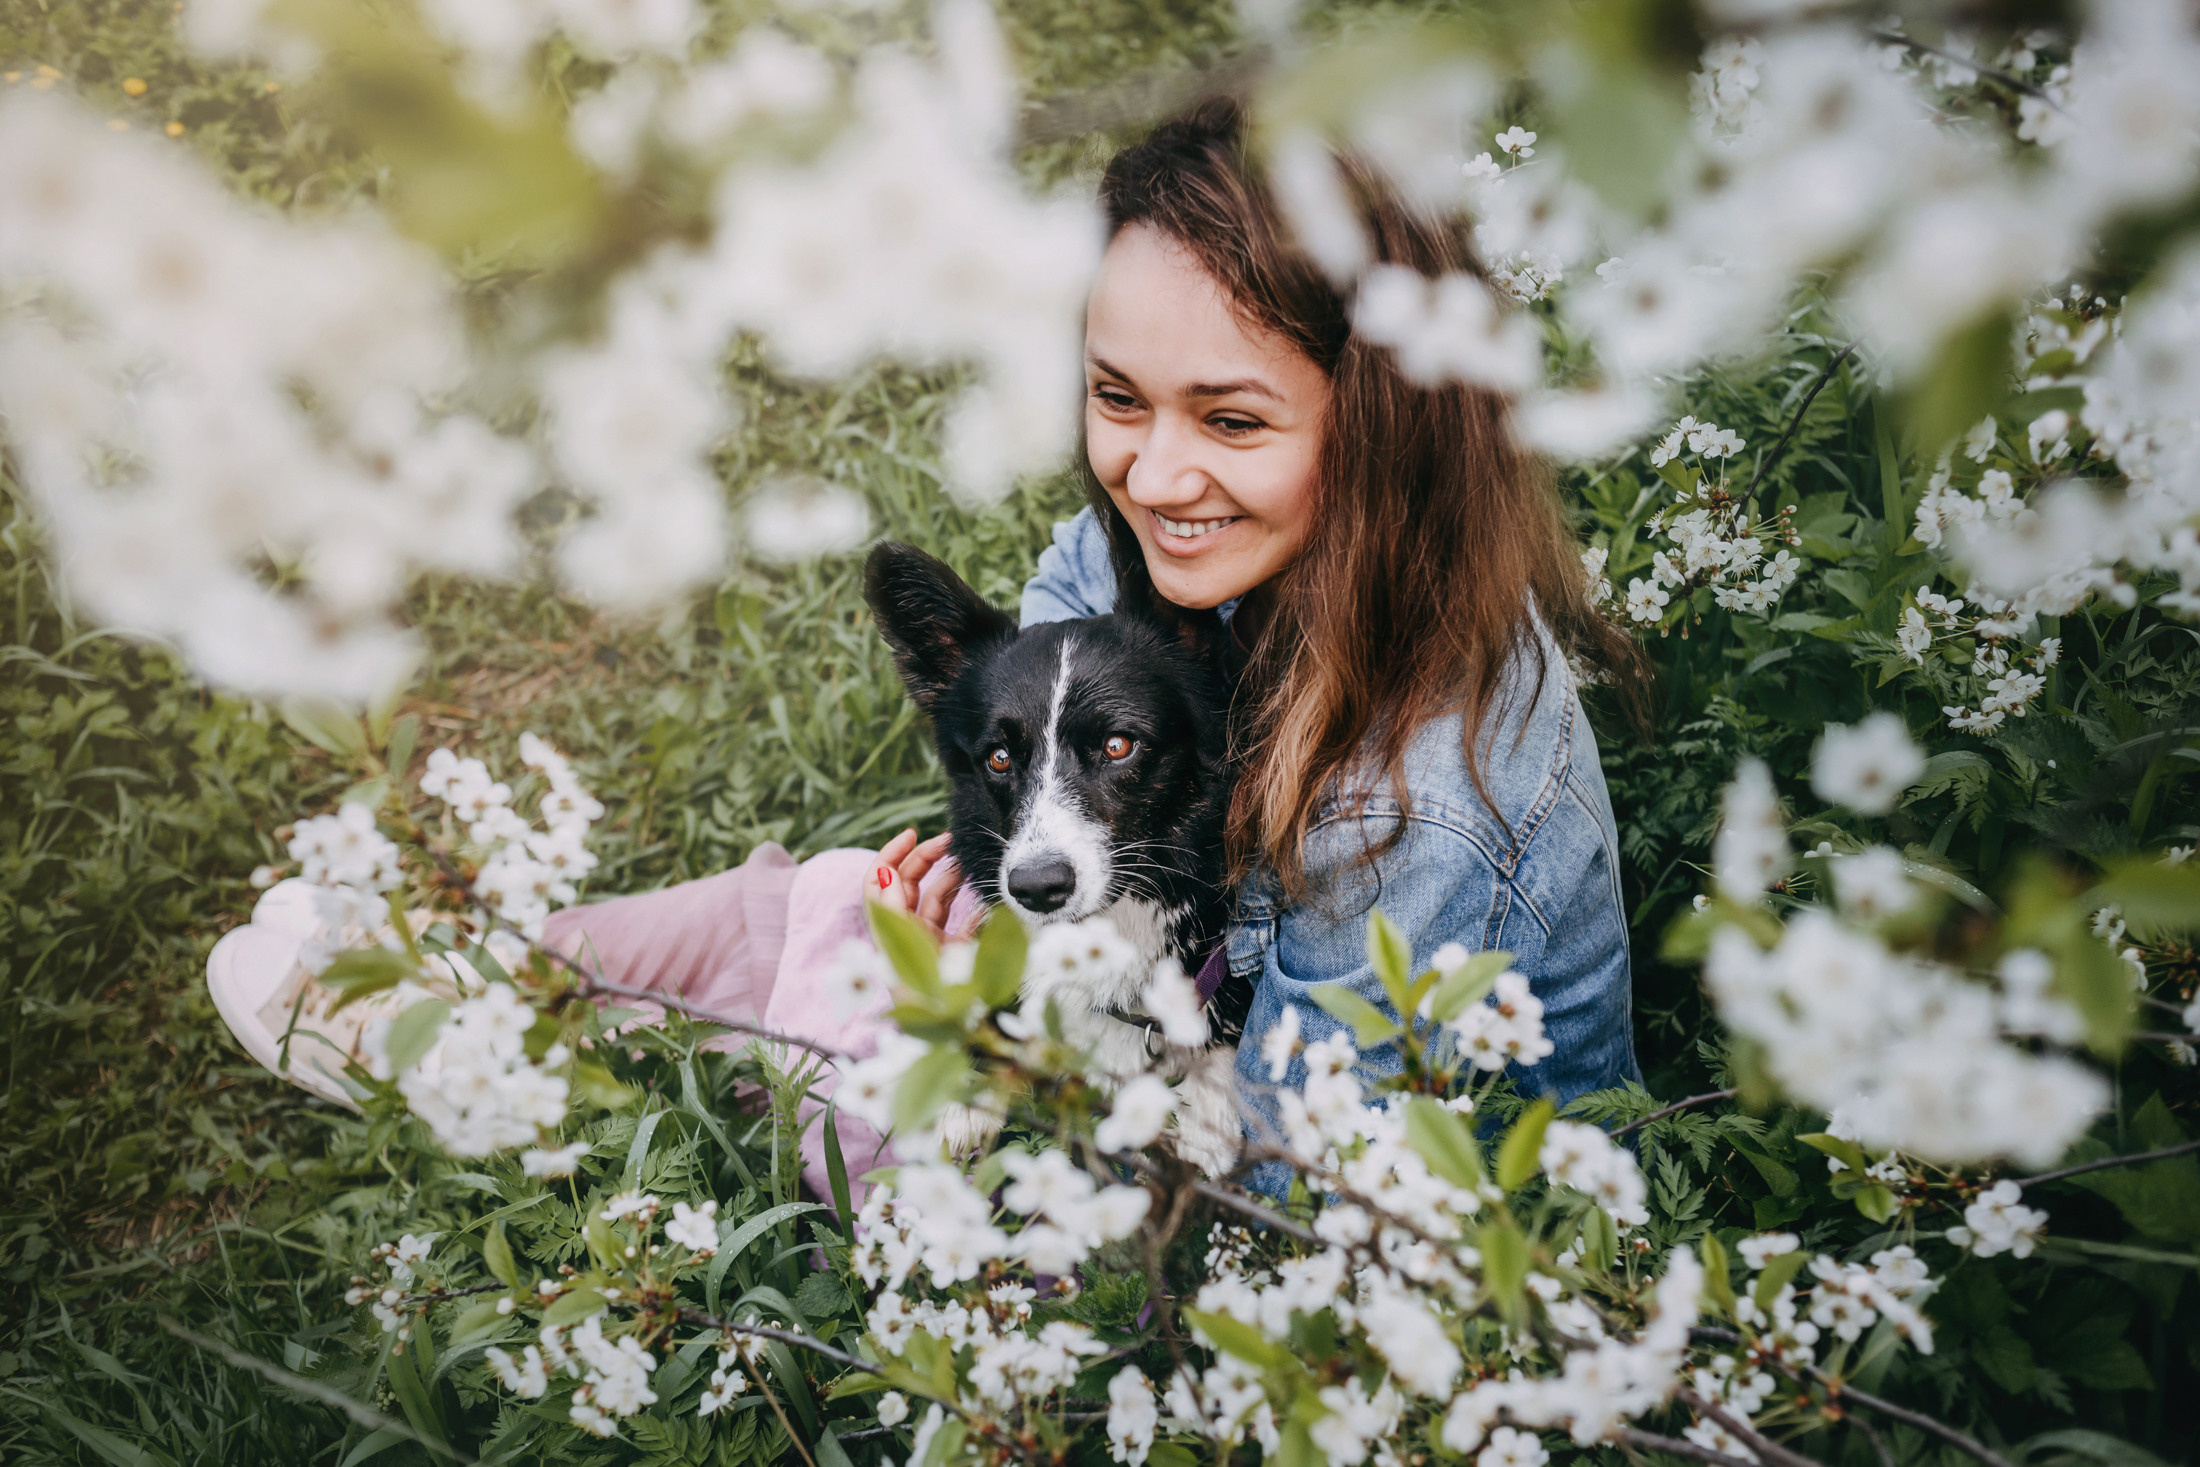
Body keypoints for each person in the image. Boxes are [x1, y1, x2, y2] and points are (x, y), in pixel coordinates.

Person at [211, 99, 1644, 1201]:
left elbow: (1276, 1191)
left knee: (874, 1061)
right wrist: (981, 850)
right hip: (1142, 992)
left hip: (1316, 1210)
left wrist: (978, 1022)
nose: (1153, 475)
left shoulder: (1422, 809)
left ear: (1386, 423)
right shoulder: (1189, 543)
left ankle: (550, 1070)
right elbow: (1037, 684)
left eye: (1231, 418)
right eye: (1117, 397)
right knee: (834, 902)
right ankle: (473, 976)